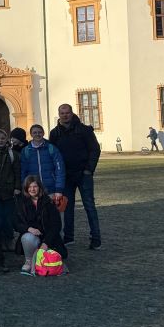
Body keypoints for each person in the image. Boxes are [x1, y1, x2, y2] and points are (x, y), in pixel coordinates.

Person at [49, 103, 102, 249]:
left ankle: (96, 237)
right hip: (65, 175)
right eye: (62, 113)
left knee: (89, 206)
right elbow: (52, 154)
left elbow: (95, 149)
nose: (65, 115)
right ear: (59, 115)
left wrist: (89, 169)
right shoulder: (55, 133)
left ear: (72, 113)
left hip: (83, 173)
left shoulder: (84, 130)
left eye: (67, 112)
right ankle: (68, 237)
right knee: (67, 207)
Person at [15, 175, 67, 276]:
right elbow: (16, 223)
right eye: (29, 187)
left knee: (52, 261)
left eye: (35, 186)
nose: (32, 189)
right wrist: (29, 229)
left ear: (39, 187)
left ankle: (43, 259)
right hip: (32, 236)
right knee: (27, 238)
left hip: (48, 237)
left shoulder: (49, 202)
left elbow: (56, 225)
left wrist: (46, 243)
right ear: (26, 188)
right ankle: (29, 261)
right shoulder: (21, 202)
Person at [20, 125, 64, 200]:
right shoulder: (26, 151)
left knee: (52, 211)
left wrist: (59, 189)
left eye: (40, 132)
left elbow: (59, 169)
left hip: (51, 188)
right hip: (33, 190)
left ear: (43, 133)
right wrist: (24, 187)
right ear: (31, 134)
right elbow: (23, 171)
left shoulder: (51, 148)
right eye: (35, 132)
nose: (37, 134)